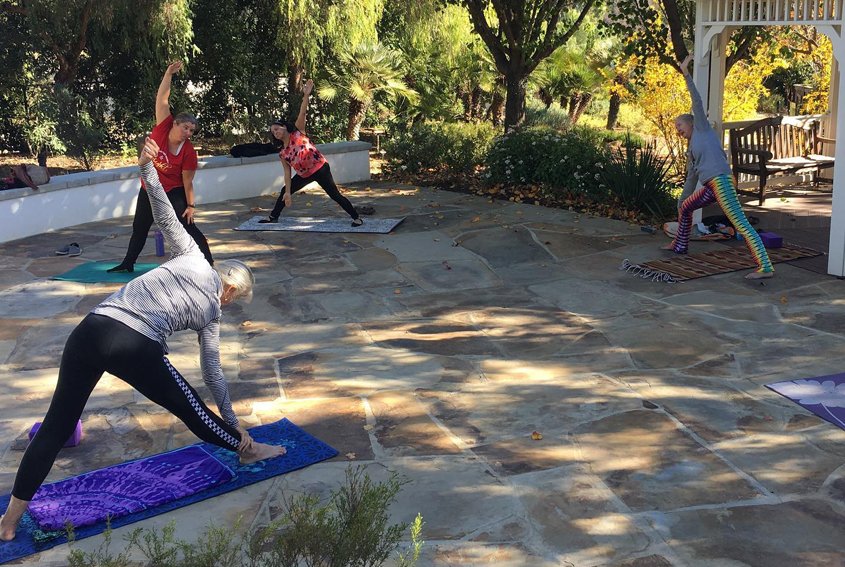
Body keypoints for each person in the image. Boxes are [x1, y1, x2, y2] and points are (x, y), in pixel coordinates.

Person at [0, 137, 284, 542]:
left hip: (92, 327)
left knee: (55, 427)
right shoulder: (214, 311)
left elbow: (162, 209)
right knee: (194, 413)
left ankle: (9, 521)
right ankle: (248, 448)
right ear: (233, 291)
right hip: (134, 343)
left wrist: (147, 167)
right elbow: (213, 373)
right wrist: (235, 424)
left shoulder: (190, 254)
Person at [663, 54, 774, 280]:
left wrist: (686, 73)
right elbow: (691, 179)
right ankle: (680, 245)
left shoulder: (702, 129)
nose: (677, 129)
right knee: (686, 208)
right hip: (711, 186)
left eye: (679, 125)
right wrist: (680, 203)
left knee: (739, 222)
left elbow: (697, 101)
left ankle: (765, 266)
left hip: (722, 182)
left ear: (692, 122)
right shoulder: (692, 150)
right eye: (675, 127)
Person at [108, 62, 213, 273]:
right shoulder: (163, 126)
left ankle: (209, 264)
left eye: (192, 130)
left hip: (174, 191)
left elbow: (187, 181)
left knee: (188, 226)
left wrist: (190, 206)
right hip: (149, 188)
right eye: (185, 127)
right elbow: (162, 99)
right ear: (175, 124)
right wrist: (168, 74)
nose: (188, 132)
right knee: (139, 227)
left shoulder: (189, 152)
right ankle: (128, 263)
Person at [258, 79, 363, 227]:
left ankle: (356, 217)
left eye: (277, 129)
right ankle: (273, 217)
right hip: (303, 175)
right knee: (283, 191)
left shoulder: (298, 132)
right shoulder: (283, 153)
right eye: (272, 132)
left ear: (285, 127)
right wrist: (288, 192)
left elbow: (303, 111)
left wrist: (306, 95)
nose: (275, 132)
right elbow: (287, 174)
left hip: (321, 169)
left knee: (334, 195)